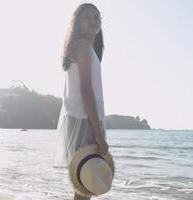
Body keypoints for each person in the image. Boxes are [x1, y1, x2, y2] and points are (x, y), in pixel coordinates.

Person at [54, 3, 109, 200]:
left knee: (84, 184)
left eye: (96, 17)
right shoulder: (84, 47)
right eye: (87, 17)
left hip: (80, 119)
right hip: (85, 121)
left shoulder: (80, 47)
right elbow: (86, 92)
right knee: (86, 184)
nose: (93, 20)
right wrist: (98, 135)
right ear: (77, 23)